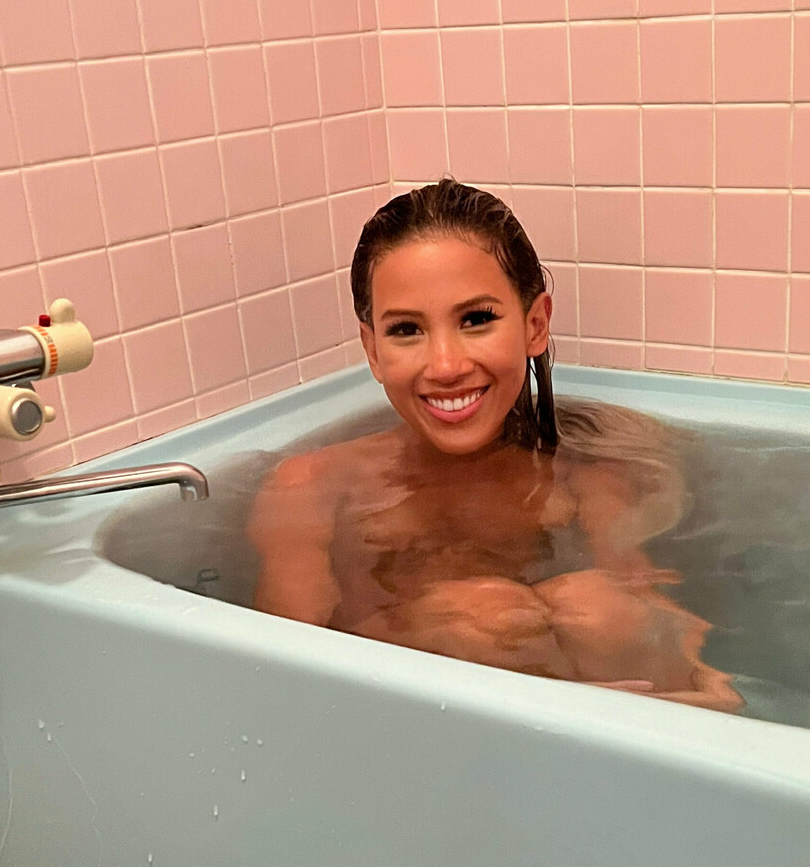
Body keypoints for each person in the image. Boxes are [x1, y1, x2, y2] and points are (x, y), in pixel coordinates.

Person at [247, 179, 743, 712]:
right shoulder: (314, 487)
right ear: (372, 350)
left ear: (535, 325)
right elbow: (283, 680)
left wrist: (704, 682)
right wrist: (421, 628)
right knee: (483, 618)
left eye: (476, 320)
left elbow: (645, 606)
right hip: (390, 719)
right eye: (406, 330)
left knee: (596, 609)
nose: (445, 366)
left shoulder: (588, 472)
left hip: (576, 714)